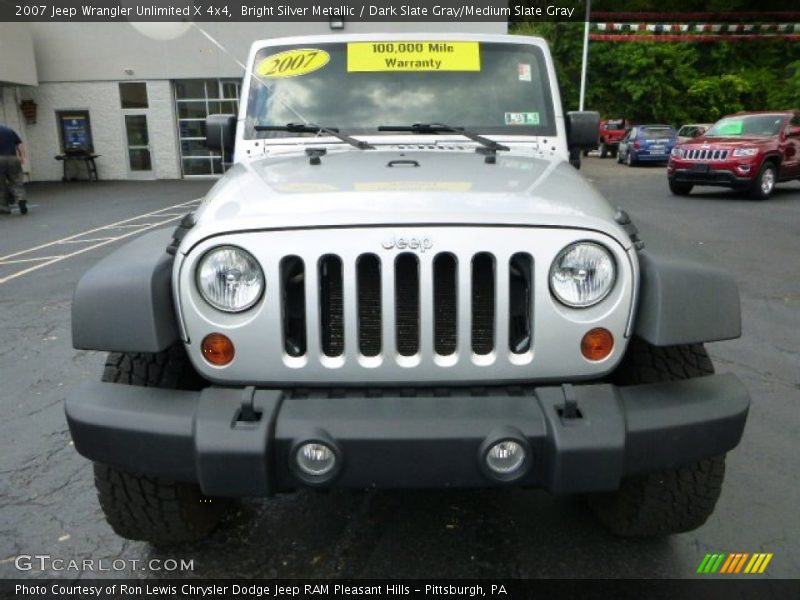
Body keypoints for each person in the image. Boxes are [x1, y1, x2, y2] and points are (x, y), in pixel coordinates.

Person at [0, 123, 28, 215]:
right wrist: (22, 157)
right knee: (16, 181)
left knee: (1, 185)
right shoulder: (9, 130)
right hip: (13, 158)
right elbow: (20, 144)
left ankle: (4, 207)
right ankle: (21, 199)